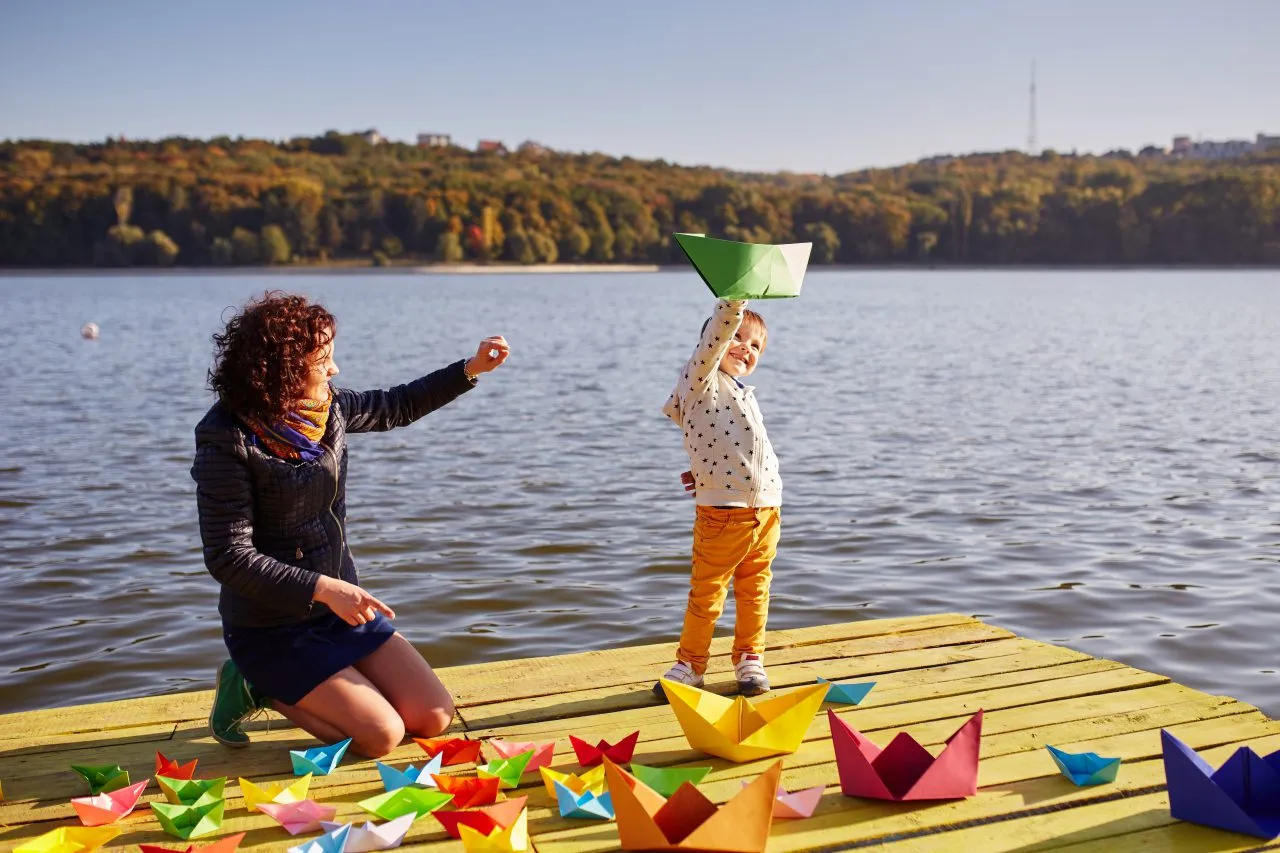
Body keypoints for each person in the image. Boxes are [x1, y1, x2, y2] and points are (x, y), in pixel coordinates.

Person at [191, 291, 509, 756]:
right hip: (270, 625)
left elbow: (397, 404)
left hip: (340, 609)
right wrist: (322, 587)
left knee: (432, 717)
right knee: (381, 736)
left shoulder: (328, 409)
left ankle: (322, 683)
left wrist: (470, 369)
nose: (335, 370)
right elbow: (228, 556)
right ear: (282, 368)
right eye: (323, 360)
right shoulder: (225, 438)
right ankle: (257, 684)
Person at [656, 298, 781, 697]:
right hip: (722, 515)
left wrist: (702, 469)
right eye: (737, 337)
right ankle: (690, 664)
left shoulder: (743, 393)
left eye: (756, 346)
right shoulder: (701, 377)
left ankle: (750, 659)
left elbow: (726, 442)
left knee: (755, 590)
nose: (746, 348)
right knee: (707, 593)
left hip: (766, 510)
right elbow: (716, 338)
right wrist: (733, 301)